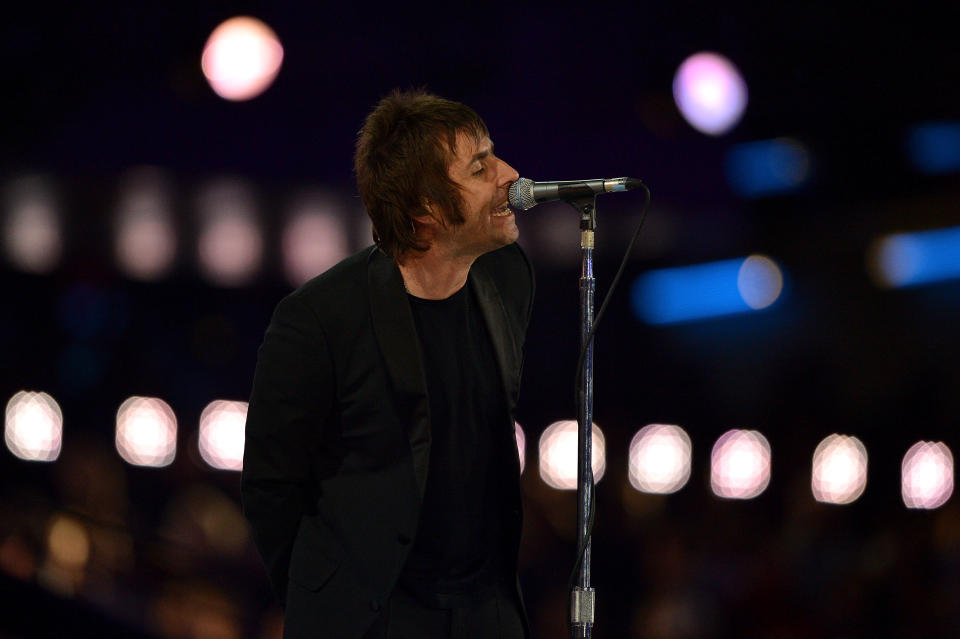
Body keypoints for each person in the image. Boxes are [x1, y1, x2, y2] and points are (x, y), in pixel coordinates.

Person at [241, 89, 535, 639]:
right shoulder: (318, 318)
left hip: (485, 611)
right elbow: (271, 486)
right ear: (425, 211)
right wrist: (326, 603)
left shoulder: (509, 276)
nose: (509, 175)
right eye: (480, 167)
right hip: (377, 616)